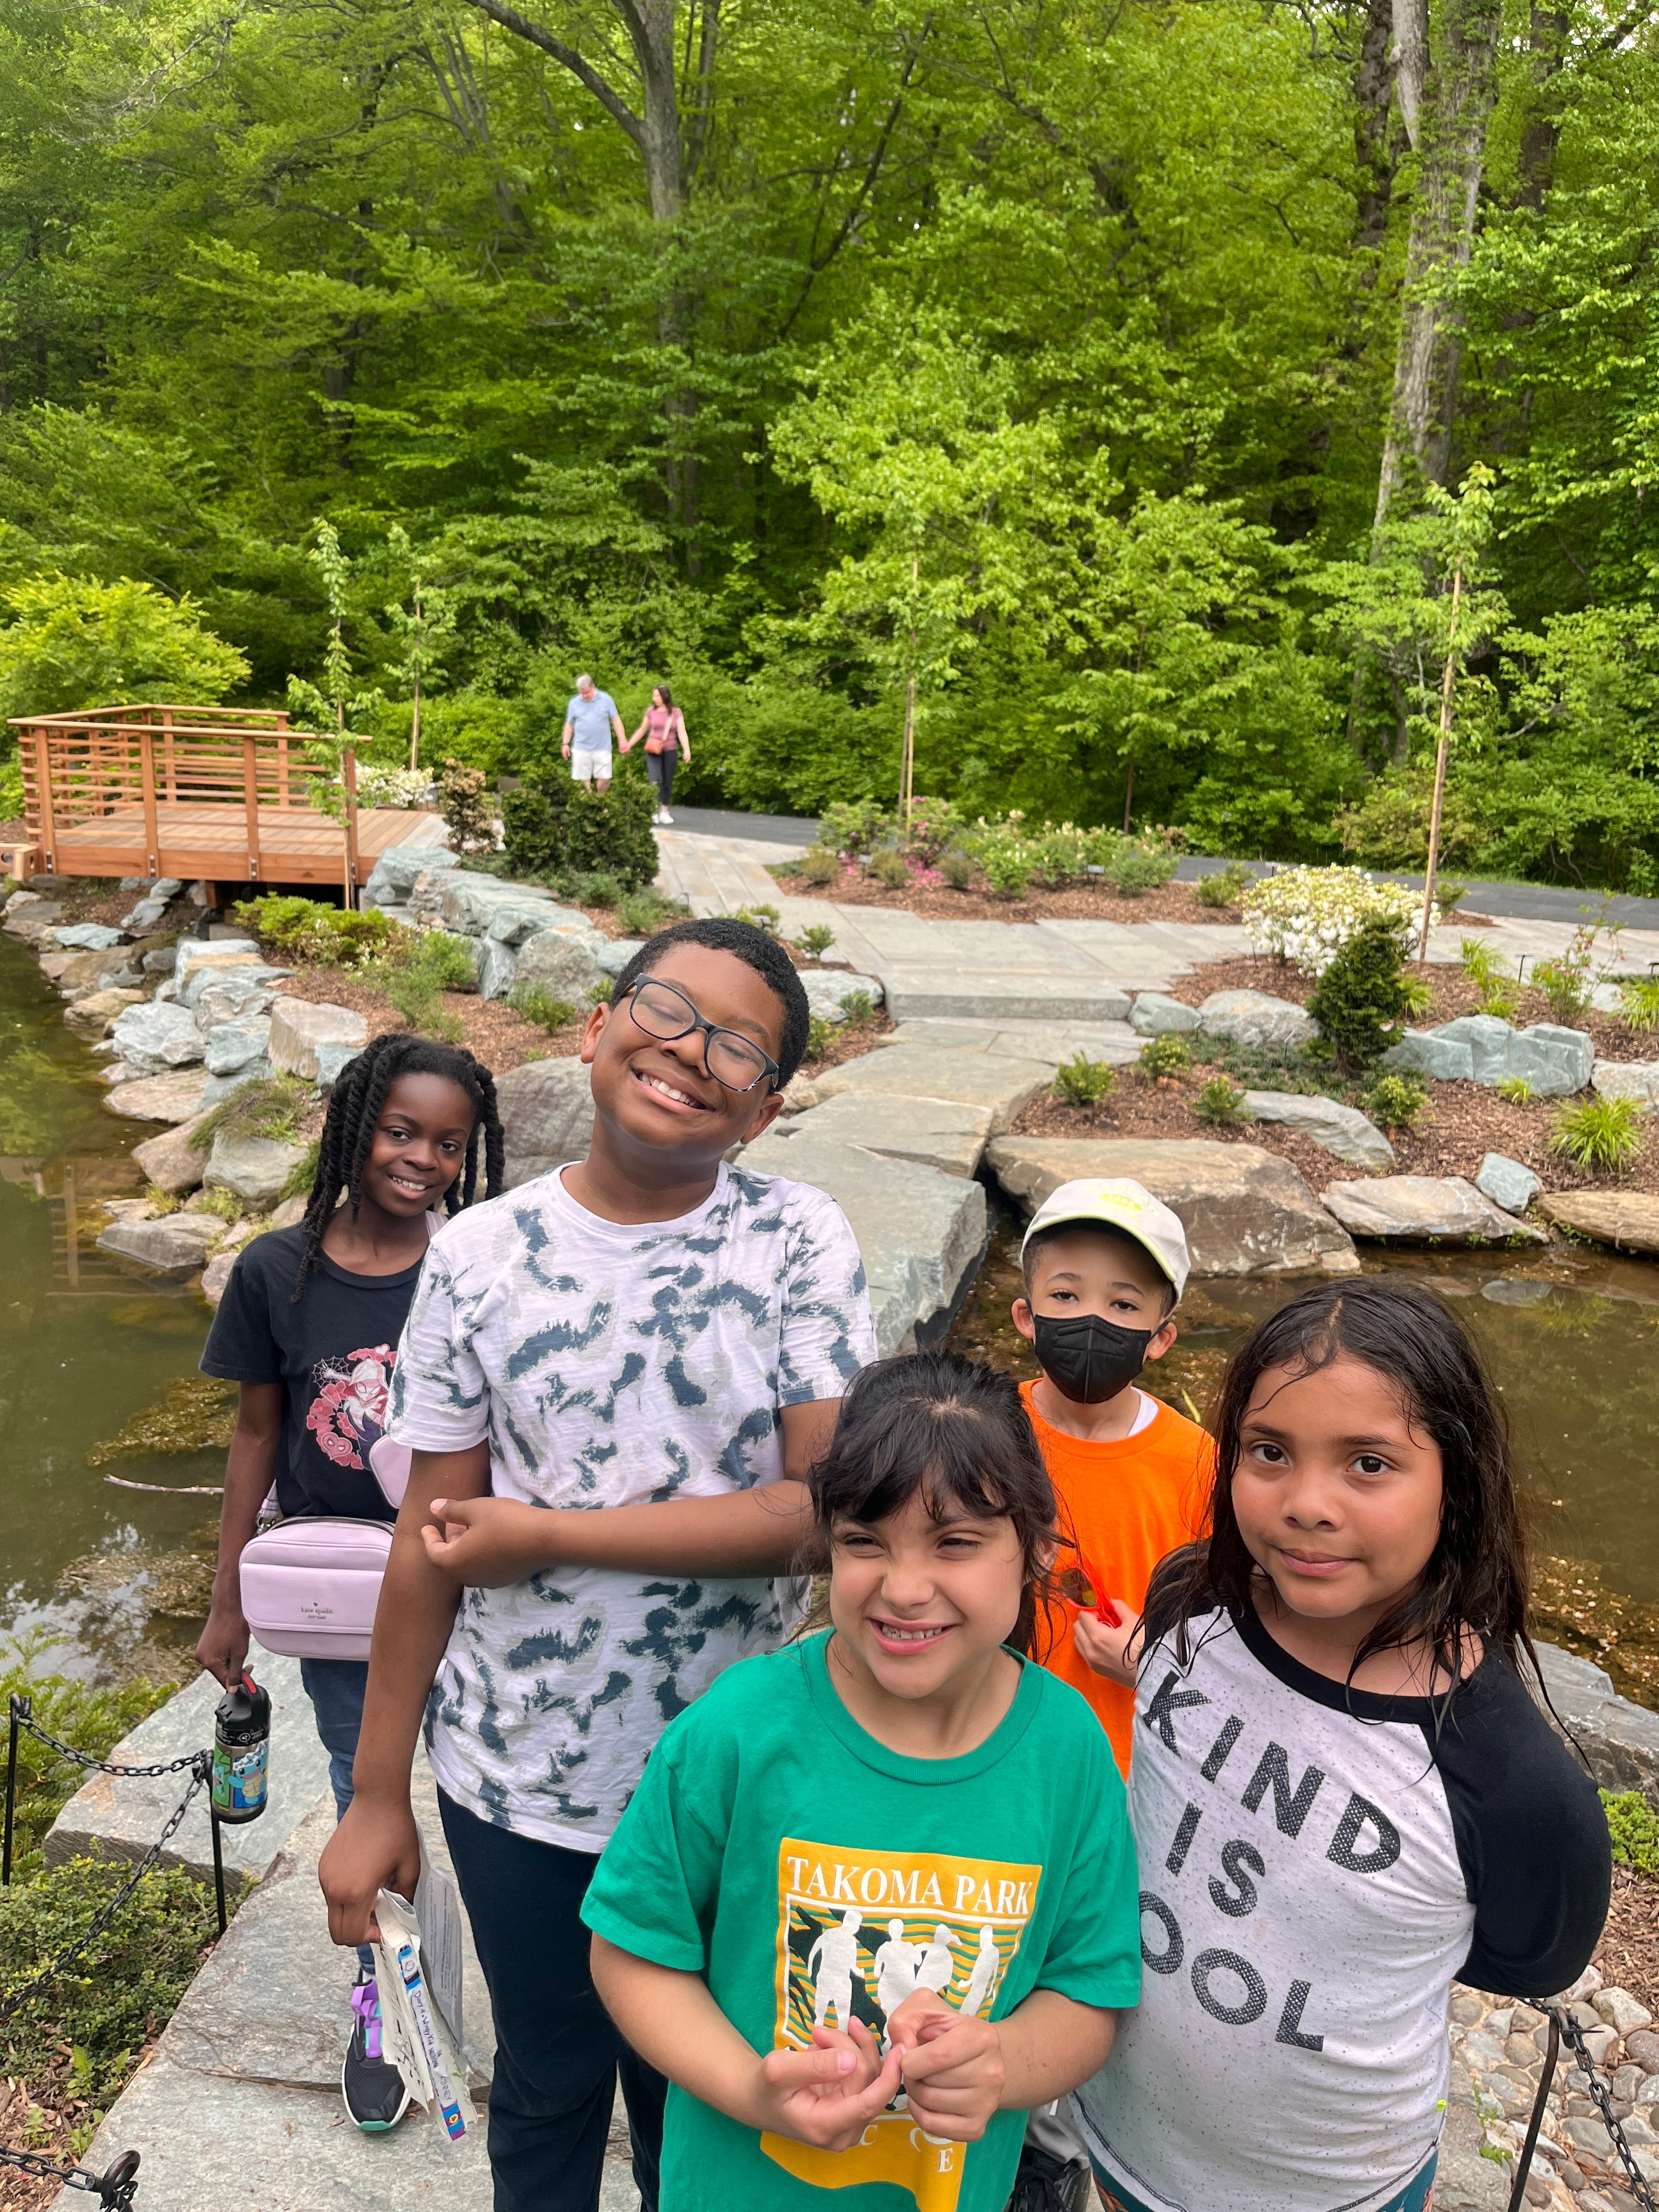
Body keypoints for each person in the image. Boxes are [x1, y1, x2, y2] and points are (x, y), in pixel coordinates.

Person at [317, 916, 877, 2212]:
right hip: (518, 1781)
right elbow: (432, 1541)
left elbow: (822, 1510)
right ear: (598, 1025)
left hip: (732, 1784)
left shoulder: (797, 1240)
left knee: (703, 2105)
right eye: (667, 1009)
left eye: (736, 1046)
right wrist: (375, 1791)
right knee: (548, 2083)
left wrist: (554, 1534)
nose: (688, 1052)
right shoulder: (476, 1254)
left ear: (765, 1109)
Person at [1070, 1278, 1612, 2212]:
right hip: (1119, 2125)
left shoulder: (1511, 1782)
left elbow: (1521, 1958)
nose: (1306, 1503)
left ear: (1458, 1478)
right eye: (1267, 1451)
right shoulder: (1187, 1601)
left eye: (1367, 1462)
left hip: (1325, 2187)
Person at [579, 1351, 1143, 2212]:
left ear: (1034, 1547)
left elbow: (1089, 1990)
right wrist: (749, 2087)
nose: (905, 1589)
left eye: (956, 1542)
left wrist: (998, 2066)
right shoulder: (741, 1728)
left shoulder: (1068, 1748)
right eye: (863, 1543)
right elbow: (631, 1949)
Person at [195, 1033, 505, 2134]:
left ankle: (514, 1993)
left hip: (474, 1576)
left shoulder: (478, 1259)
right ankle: (386, 1996)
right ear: (352, 1124)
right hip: (340, 1590)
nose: (424, 1158)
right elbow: (254, 1433)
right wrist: (227, 1594)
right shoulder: (279, 1272)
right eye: (402, 1130)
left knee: (479, 1788)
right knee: (358, 1787)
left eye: (449, 1144)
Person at [1012, 1178, 1211, 1779]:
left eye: (1123, 1305)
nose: (1092, 1320)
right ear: (1027, 1315)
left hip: (1129, 1761)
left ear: (1161, 1338)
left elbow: (1223, 1625)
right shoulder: (984, 1432)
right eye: (1066, 1295)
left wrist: (1152, 1663)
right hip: (996, 1746)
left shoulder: (1197, 1462)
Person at [622, 683, 691, 825]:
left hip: (670, 750)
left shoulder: (676, 712)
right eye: (653, 696)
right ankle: (653, 810)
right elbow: (642, 730)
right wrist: (629, 744)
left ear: (664, 696)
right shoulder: (651, 711)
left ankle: (664, 811)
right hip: (653, 749)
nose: (654, 698)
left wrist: (687, 749)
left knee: (667, 781)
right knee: (653, 780)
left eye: (657, 696)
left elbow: (682, 731)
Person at [561, 672, 625, 792]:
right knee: (582, 780)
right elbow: (569, 724)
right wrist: (565, 744)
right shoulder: (574, 703)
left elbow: (616, 721)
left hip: (602, 747)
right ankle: (590, 804)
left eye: (587, 692)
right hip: (581, 747)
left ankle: (600, 801)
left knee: (605, 778)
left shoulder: (606, 700)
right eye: (582, 693)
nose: (585, 696)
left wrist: (623, 740)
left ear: (593, 687)